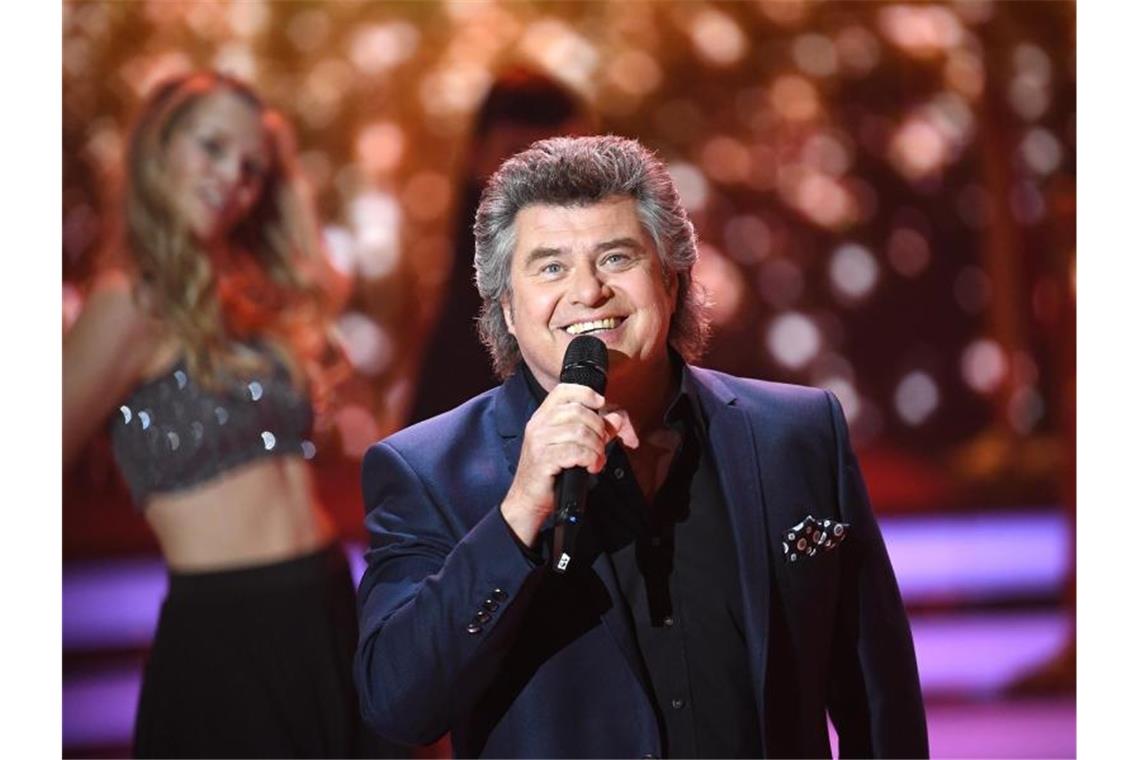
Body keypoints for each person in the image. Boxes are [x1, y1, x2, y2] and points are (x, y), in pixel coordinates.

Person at [354, 135, 929, 758]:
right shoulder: (429, 472)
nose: (588, 291)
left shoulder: (797, 434)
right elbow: (398, 703)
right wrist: (518, 514)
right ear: (508, 312)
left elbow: (879, 699)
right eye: (550, 266)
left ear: (672, 282)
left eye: (617, 257)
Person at [63, 71, 391, 758]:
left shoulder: (241, 296)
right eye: (212, 148)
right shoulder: (126, 304)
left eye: (251, 169)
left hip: (329, 603)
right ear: (160, 144)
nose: (232, 180)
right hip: (229, 635)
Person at [405, 65, 594, 424]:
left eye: (568, 158)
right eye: (519, 156)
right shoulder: (463, 323)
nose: (543, 181)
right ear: (478, 159)